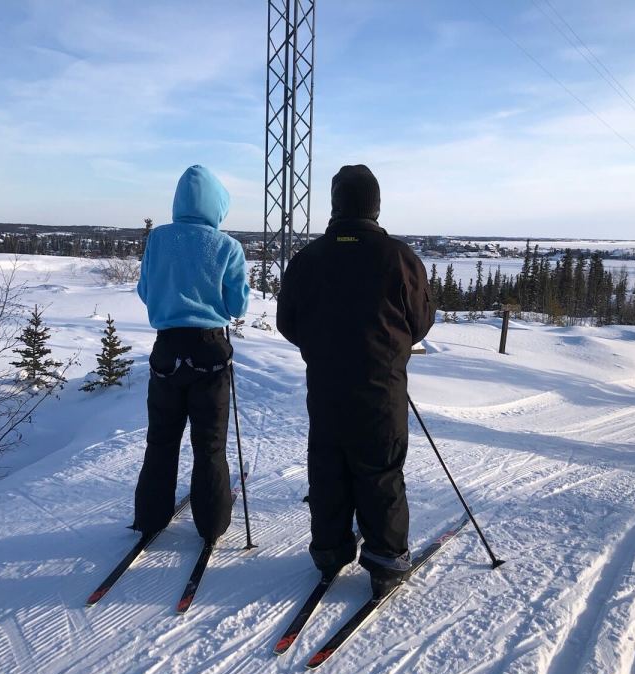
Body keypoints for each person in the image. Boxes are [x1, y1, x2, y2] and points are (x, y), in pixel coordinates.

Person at [276, 164, 435, 599]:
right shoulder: (400, 258)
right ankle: (385, 559)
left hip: (326, 386)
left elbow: (286, 322)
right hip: (381, 387)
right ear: (375, 204)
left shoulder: (309, 259)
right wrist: (390, 344)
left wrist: (325, 347)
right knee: (380, 468)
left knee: (328, 465)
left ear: (336, 204)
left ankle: (329, 550)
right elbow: (420, 321)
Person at [134, 165, 250, 544]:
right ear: (217, 206)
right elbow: (238, 305)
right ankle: (212, 524)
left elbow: (146, 291)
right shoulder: (227, 247)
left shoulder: (158, 240)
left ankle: (151, 518)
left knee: (161, 440)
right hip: (210, 350)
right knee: (210, 444)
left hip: (166, 349)